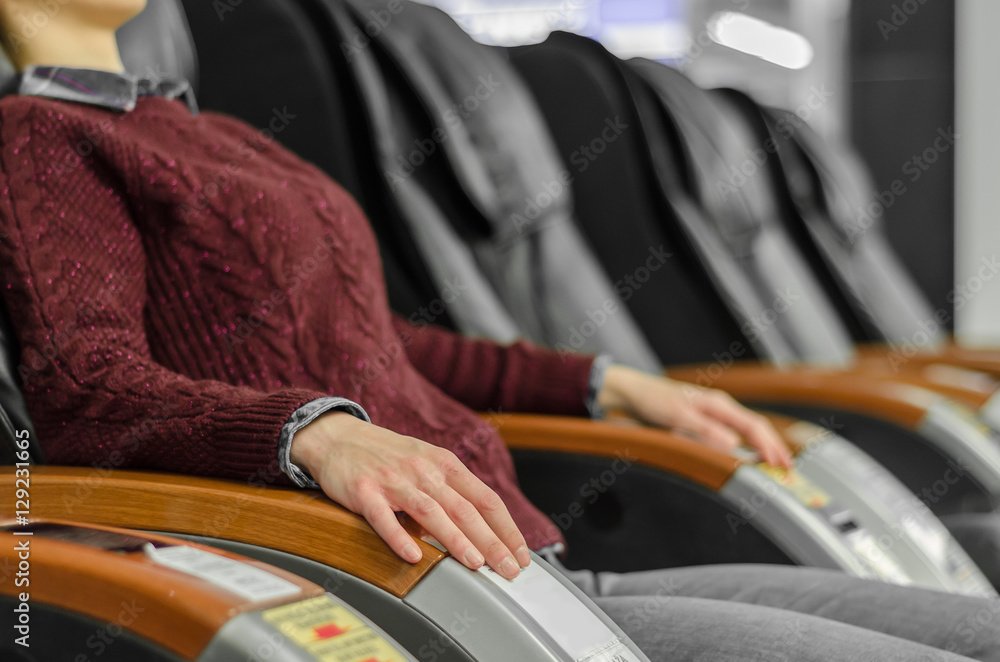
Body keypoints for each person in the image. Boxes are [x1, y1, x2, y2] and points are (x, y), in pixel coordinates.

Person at [0, 1, 996, 660]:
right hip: (450, 606)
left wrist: (609, 384)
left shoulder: (216, 133)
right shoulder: (39, 134)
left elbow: (391, 345)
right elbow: (85, 390)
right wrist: (315, 433)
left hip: (538, 563)